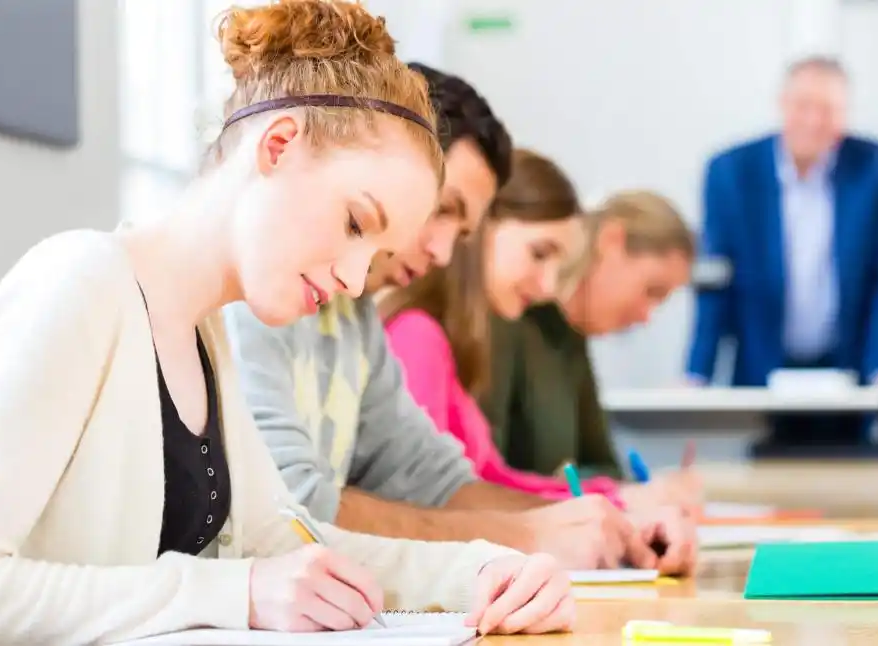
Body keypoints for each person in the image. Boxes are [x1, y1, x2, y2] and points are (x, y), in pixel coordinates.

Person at [0, 4, 575, 643]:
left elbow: (291, 548)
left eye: (375, 255)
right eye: (356, 223)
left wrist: (487, 570)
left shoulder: (207, 336)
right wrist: (230, 591)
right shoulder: (76, 283)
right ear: (278, 145)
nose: (356, 282)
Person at [228, 66, 680, 572]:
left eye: (462, 232)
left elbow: (432, 481)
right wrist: (526, 535)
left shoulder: (353, 315)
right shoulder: (257, 297)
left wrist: (606, 526)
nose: (443, 252)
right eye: (441, 209)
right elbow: (291, 511)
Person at [379, 150, 698, 575]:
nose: (549, 286)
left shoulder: (447, 340)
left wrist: (615, 505)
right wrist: (612, 504)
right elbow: (427, 502)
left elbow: (484, 483)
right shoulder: (419, 335)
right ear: (479, 230)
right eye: (539, 253)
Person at [686, 56, 878, 457]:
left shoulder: (876, 167)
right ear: (783, 104)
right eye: (804, 106)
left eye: (829, 110)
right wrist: (696, 373)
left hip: (846, 365)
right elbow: (715, 280)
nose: (814, 121)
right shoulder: (732, 171)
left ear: (844, 115)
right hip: (762, 364)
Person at [479, 189, 700, 514]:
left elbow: (604, 466)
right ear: (612, 241)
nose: (646, 315)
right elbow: (486, 478)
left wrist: (638, 491)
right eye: (651, 291)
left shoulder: (571, 337)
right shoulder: (509, 319)